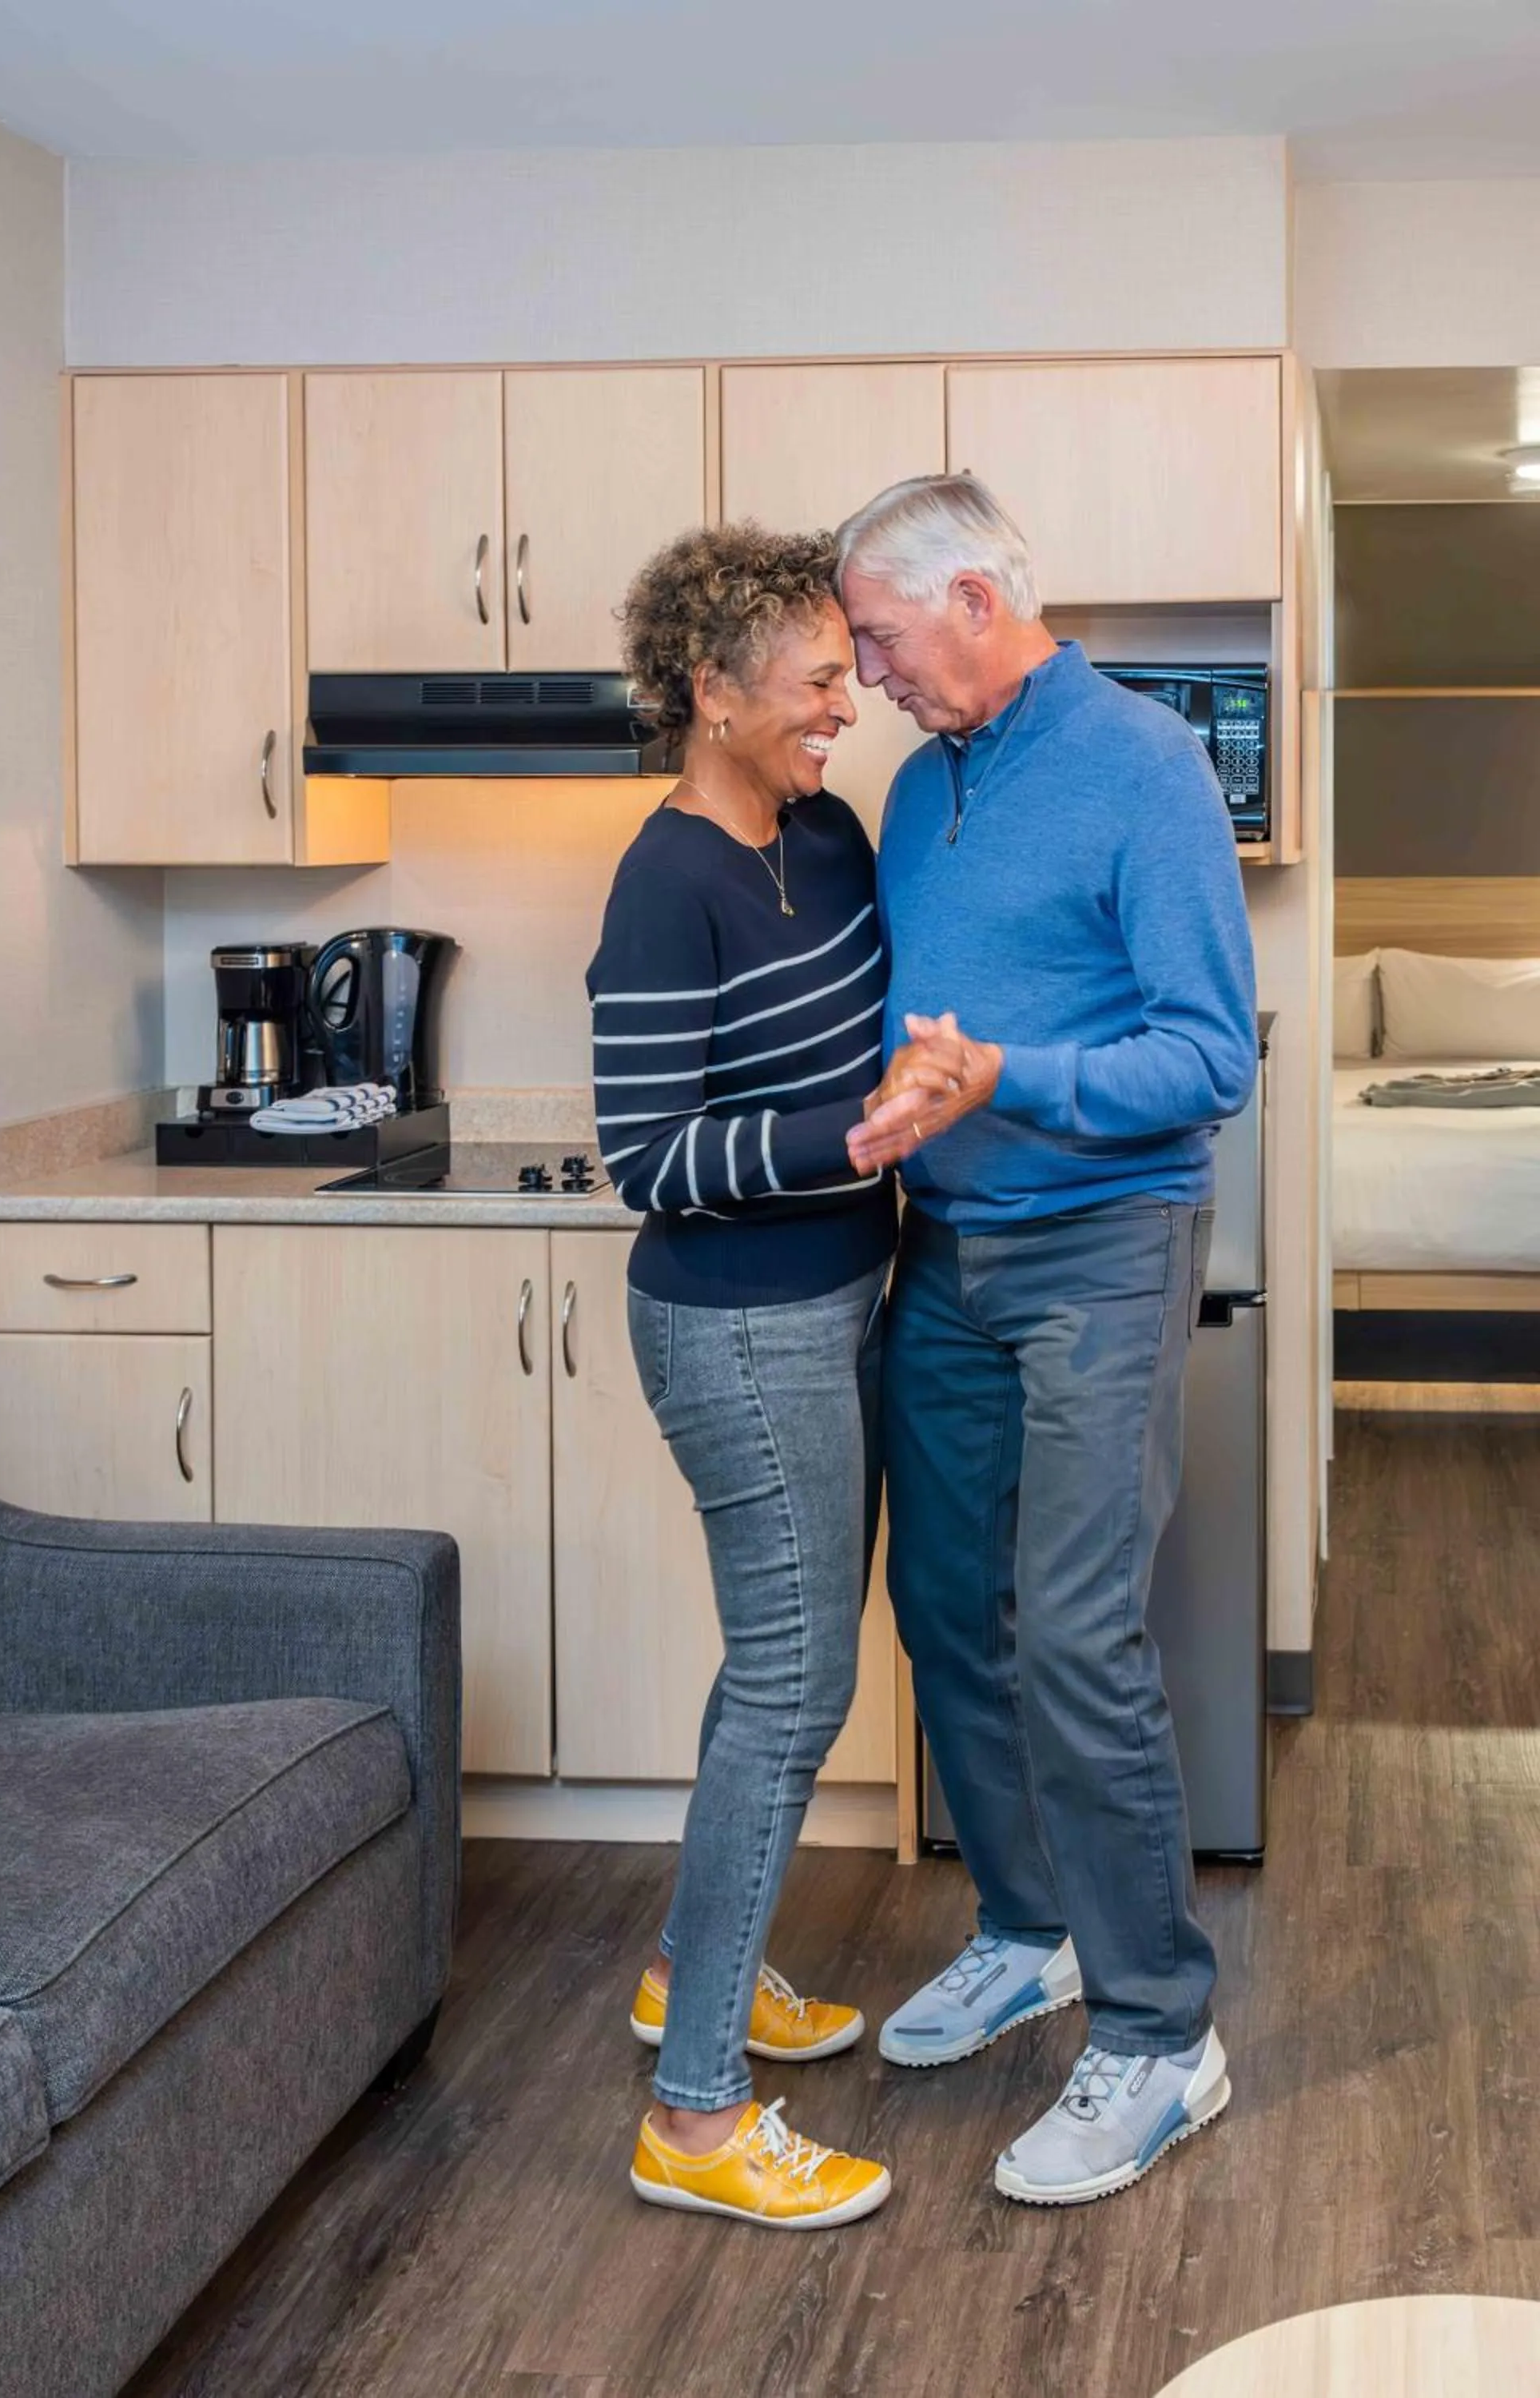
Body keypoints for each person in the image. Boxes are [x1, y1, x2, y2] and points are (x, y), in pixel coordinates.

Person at [835, 472, 1259, 2208]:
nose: (864, 673)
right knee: (942, 1607)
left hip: (1101, 1248)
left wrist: (1015, 1078)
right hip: (947, 1249)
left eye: (877, 635)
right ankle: (1029, 1932)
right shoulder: (916, 787)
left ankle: (1163, 2032)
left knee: (1079, 1630)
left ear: (973, 601)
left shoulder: (1143, 768)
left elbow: (1207, 1056)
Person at [587, 523, 899, 2230]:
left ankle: (689, 1970)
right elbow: (646, 1153)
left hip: (846, 1297)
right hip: (732, 1322)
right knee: (793, 1693)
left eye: (850, 672)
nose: (843, 705)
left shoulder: (827, 836)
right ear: (707, 693)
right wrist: (851, 1133)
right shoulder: (666, 881)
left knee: (771, 1675)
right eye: (815, 679)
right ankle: (694, 2116)